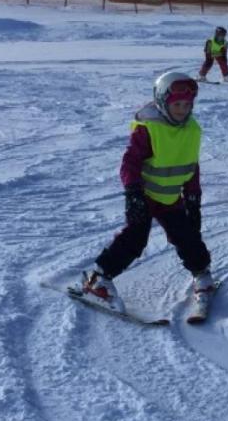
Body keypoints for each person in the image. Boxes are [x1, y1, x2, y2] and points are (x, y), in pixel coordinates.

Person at [80, 70, 212, 311]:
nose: (182, 110)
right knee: (135, 238)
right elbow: (129, 163)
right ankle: (98, 280)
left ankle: (202, 273)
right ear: (162, 103)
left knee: (188, 235)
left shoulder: (192, 130)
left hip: (170, 199)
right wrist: (133, 193)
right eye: (177, 104)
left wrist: (192, 197)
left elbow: (191, 165)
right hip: (144, 196)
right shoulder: (149, 129)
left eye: (187, 104)